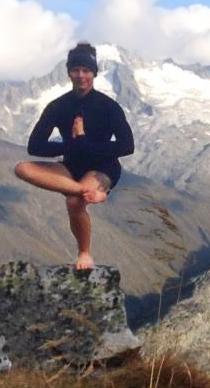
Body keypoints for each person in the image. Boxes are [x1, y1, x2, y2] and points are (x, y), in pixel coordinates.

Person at [14, 42, 134, 270]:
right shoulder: (58, 106)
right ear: (69, 72)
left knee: (73, 202)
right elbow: (35, 146)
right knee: (22, 168)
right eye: (76, 70)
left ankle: (84, 254)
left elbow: (127, 146)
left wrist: (85, 144)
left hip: (103, 167)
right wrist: (71, 144)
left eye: (86, 70)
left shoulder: (108, 107)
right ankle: (89, 192)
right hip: (70, 165)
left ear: (94, 74)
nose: (81, 76)